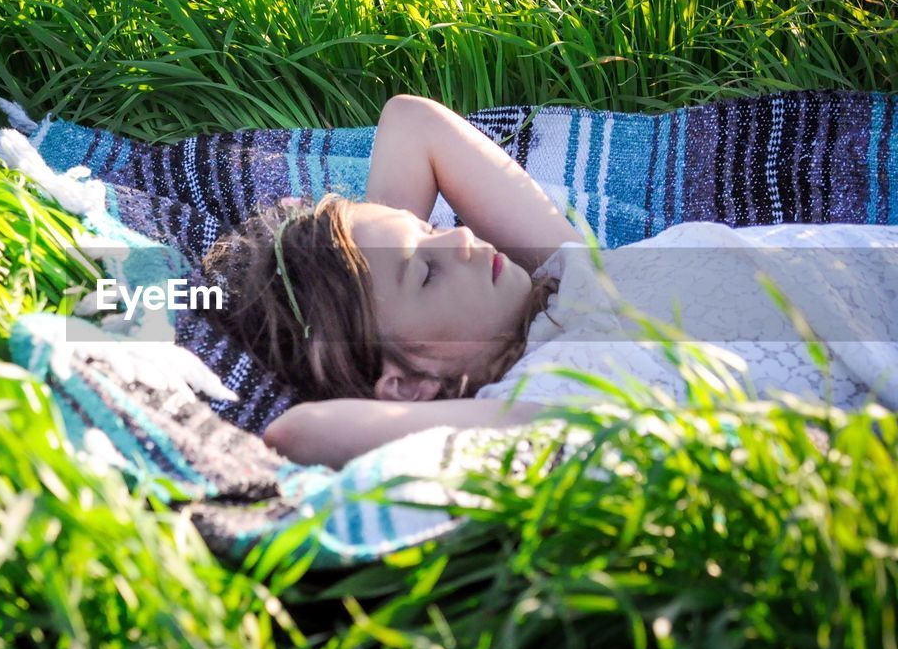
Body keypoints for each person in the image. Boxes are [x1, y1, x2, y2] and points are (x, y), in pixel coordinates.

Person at [202, 95, 898, 469]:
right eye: (430, 271)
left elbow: (411, 123)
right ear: (406, 389)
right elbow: (299, 433)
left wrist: (382, 257)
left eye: (436, 235)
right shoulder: (540, 398)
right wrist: (378, 309)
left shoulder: (569, 272)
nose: (465, 239)